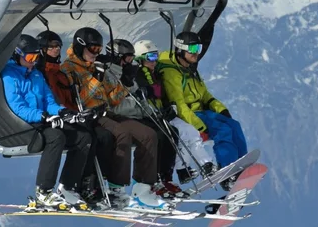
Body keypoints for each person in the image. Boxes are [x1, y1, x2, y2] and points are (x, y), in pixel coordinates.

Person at [60, 27, 170, 210]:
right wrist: (97, 77)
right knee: (122, 134)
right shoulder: (69, 68)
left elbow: (111, 99)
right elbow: (83, 100)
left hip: (107, 111)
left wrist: (125, 83)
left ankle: (143, 188)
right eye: (93, 49)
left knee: (148, 135)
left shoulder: (95, 66)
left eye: (99, 50)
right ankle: (115, 188)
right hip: (90, 114)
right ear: (80, 47)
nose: (96, 53)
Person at [1, 33, 94, 209]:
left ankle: (67, 186)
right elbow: (17, 107)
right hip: (23, 124)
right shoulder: (9, 76)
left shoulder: (36, 74)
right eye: (30, 57)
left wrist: (63, 112)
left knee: (83, 136)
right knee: (56, 136)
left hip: (42, 119)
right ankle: (43, 191)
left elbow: (49, 101)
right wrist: (43, 116)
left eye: (37, 57)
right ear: (18, 54)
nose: (33, 61)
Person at [156, 31, 248, 191]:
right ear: (180, 49)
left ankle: (240, 166)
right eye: (192, 49)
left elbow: (204, 94)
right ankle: (227, 172)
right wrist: (200, 127)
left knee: (234, 125)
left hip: (203, 112)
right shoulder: (171, 72)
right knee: (223, 130)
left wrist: (221, 109)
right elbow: (179, 105)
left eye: (198, 48)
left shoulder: (190, 69)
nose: (196, 52)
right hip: (190, 116)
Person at [102, 39, 188, 200]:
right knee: (150, 134)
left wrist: (155, 112)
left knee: (168, 130)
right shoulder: (108, 74)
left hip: (135, 115)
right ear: (117, 56)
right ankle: (141, 183)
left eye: (131, 57)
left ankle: (163, 178)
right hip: (119, 117)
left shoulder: (126, 71)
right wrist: (138, 104)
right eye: (127, 57)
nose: (130, 61)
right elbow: (114, 106)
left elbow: (139, 98)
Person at [35, 30, 114, 204]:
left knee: (96, 135)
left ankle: (85, 185)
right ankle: (80, 185)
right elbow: (55, 100)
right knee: (90, 135)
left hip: (69, 114)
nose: (56, 50)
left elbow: (75, 97)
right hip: (54, 117)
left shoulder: (58, 72)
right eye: (51, 47)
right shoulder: (45, 72)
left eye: (58, 46)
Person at [132, 39, 217, 185]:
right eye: (150, 57)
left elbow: (162, 94)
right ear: (140, 59)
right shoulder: (141, 73)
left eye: (156, 56)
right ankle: (185, 169)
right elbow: (153, 93)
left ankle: (204, 165)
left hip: (164, 113)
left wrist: (170, 106)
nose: (154, 60)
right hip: (155, 116)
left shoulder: (154, 73)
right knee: (180, 134)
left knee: (191, 132)